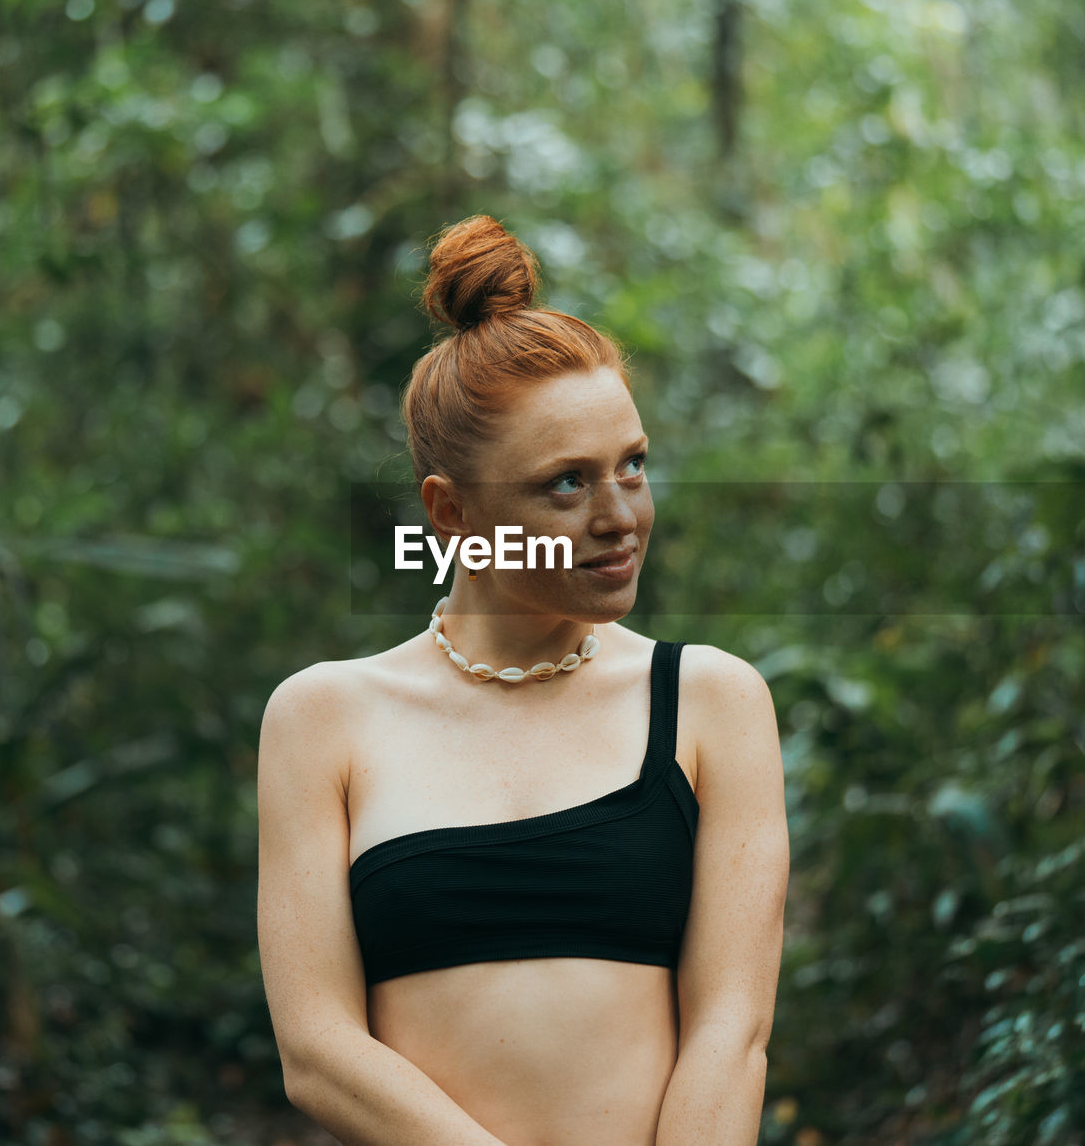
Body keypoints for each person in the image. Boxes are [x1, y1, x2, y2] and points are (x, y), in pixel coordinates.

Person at [256, 215, 789, 1145]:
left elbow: (731, 1034)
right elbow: (316, 1048)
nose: (621, 515)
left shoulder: (710, 702)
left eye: (634, 466)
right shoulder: (323, 720)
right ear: (451, 512)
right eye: (566, 485)